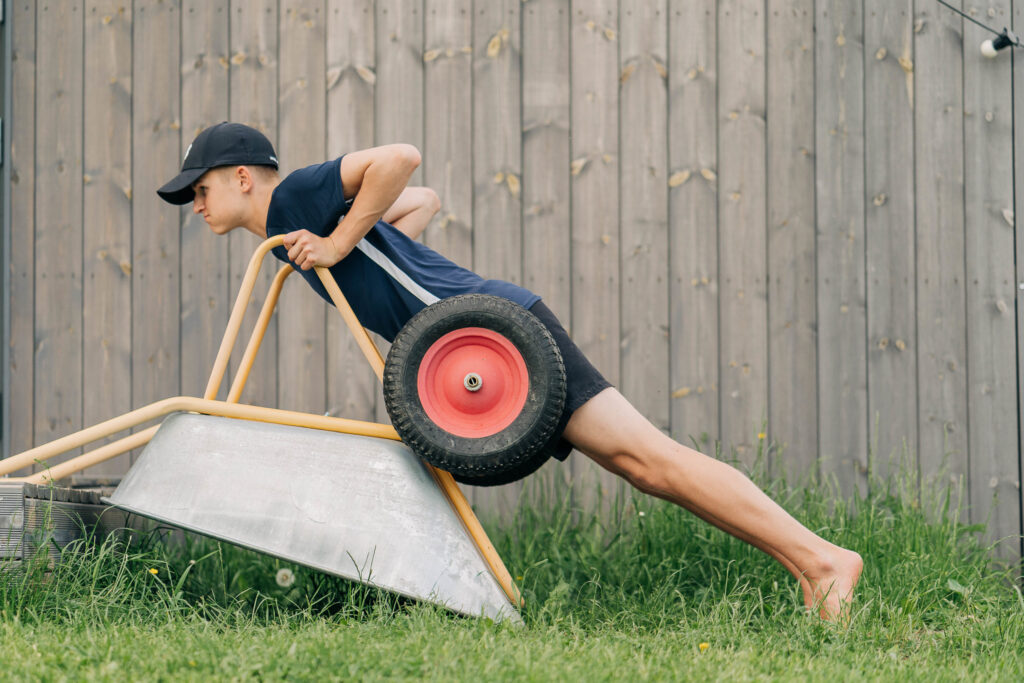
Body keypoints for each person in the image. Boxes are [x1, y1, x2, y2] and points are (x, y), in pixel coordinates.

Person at [158, 122, 863, 621]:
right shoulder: (294, 234)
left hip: (497, 339)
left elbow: (401, 159)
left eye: (201, 189)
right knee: (646, 466)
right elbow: (423, 201)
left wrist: (344, 239)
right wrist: (366, 244)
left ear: (242, 177)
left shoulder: (295, 200)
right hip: (478, 344)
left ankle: (825, 561)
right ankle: (812, 568)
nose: (197, 204)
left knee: (652, 459)